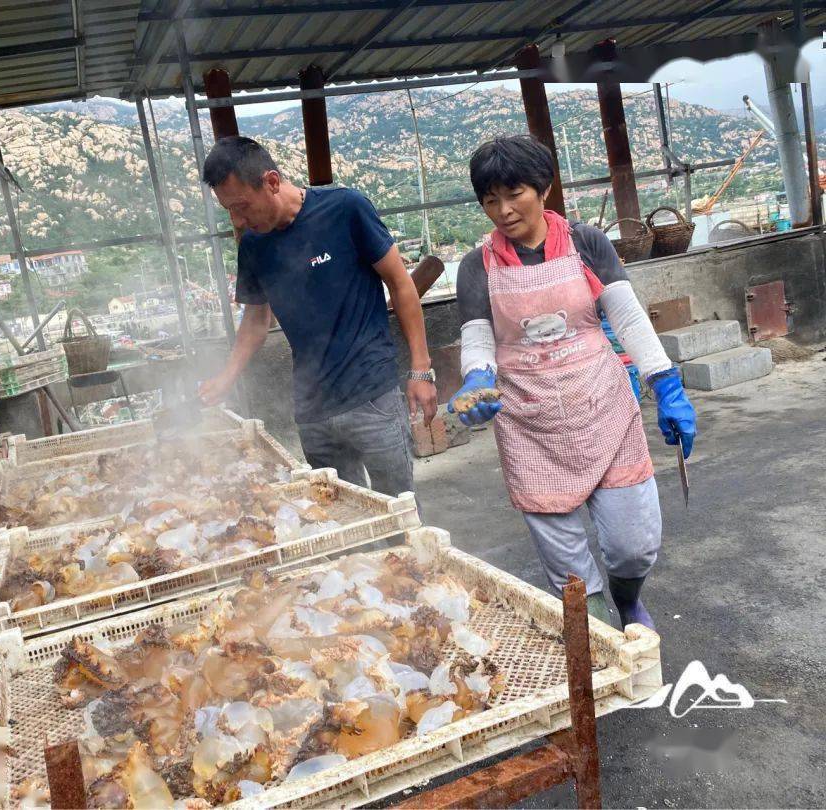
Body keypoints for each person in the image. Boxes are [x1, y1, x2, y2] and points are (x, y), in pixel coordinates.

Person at [451, 135, 697, 630]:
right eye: (489, 200)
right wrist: (476, 378)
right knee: (568, 569)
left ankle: (628, 598)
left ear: (543, 188)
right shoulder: (477, 266)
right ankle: (600, 630)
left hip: (602, 406)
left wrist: (667, 384)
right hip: (529, 425)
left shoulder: (587, 243)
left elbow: (627, 320)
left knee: (634, 544)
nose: (502, 210)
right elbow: (477, 339)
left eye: (513, 193)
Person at [197, 136, 438, 499]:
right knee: (338, 517)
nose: (238, 219)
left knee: (398, 512)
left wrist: (420, 370)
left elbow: (401, 285)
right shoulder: (253, 244)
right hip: (313, 412)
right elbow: (255, 321)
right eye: (229, 210)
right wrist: (226, 377)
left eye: (242, 207)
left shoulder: (345, 209)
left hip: (373, 396)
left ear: (272, 182)